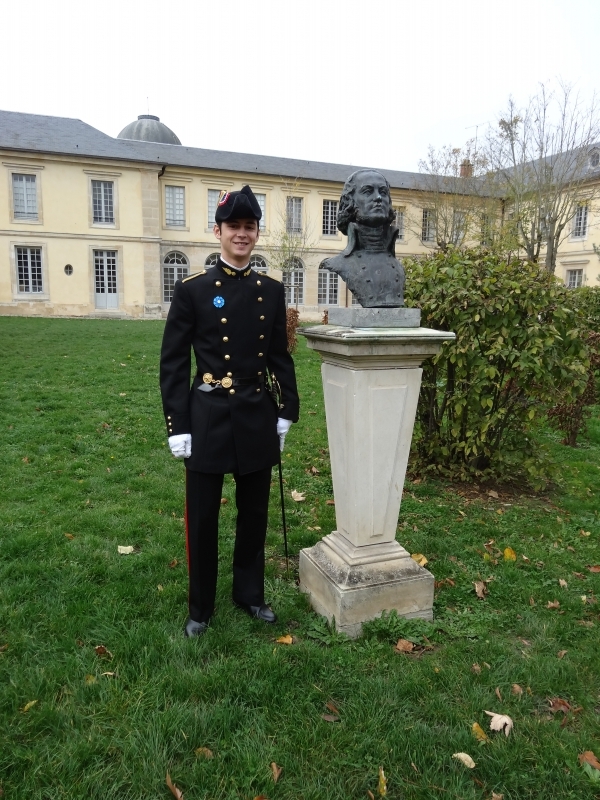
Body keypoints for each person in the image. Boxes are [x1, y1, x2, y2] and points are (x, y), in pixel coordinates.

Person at [160, 185, 299, 638]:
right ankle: (200, 607)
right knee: (202, 516)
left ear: (257, 233)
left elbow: (279, 355)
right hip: (208, 415)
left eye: (249, 227)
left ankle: (249, 593)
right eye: (233, 227)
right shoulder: (193, 292)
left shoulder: (271, 291)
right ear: (217, 231)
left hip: (256, 412)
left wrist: (286, 411)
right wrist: (178, 425)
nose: (242, 234)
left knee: (253, 511)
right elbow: (174, 362)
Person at [322, 169, 405, 307]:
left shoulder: (398, 267)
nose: (378, 197)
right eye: (368, 191)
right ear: (350, 202)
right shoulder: (339, 264)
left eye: (383, 192)